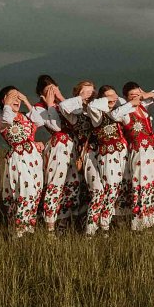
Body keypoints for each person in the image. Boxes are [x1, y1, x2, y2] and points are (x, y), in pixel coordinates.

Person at [31, 75, 81, 234]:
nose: (52, 92)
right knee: (55, 185)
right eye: (48, 90)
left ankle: (63, 223)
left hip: (72, 146)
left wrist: (60, 98)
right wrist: (50, 104)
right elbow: (56, 127)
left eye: (54, 88)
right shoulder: (39, 108)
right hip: (58, 148)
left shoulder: (63, 105)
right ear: (42, 94)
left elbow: (76, 121)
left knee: (72, 185)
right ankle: (50, 225)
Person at [0, 86, 44, 237]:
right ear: (4, 100)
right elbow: (7, 120)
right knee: (24, 192)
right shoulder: (1, 117)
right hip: (18, 157)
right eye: (12, 97)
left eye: (18, 97)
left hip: (34, 158)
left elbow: (40, 121)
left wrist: (26, 101)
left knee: (35, 193)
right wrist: (7, 104)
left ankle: (29, 229)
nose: (16, 100)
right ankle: (18, 230)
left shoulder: (25, 115)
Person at [84, 85, 132, 237]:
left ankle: (107, 224)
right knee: (109, 188)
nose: (112, 99)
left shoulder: (118, 113)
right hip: (107, 155)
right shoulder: (98, 115)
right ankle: (96, 228)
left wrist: (121, 103)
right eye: (108, 97)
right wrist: (108, 100)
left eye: (114, 96)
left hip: (122, 153)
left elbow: (127, 119)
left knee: (118, 189)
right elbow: (92, 105)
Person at [117, 82, 154, 230]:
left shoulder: (143, 107)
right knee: (140, 183)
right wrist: (130, 103)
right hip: (139, 151)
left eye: (138, 94)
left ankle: (150, 221)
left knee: (152, 184)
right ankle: (139, 222)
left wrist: (147, 95)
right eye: (132, 95)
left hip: (152, 150)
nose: (136, 97)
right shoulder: (126, 111)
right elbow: (115, 114)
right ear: (126, 97)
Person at [58, 80, 96, 222]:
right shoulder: (75, 114)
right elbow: (63, 106)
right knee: (81, 186)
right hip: (84, 152)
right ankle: (75, 221)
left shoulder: (96, 109)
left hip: (100, 151)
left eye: (91, 92)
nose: (89, 95)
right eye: (85, 91)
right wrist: (81, 97)